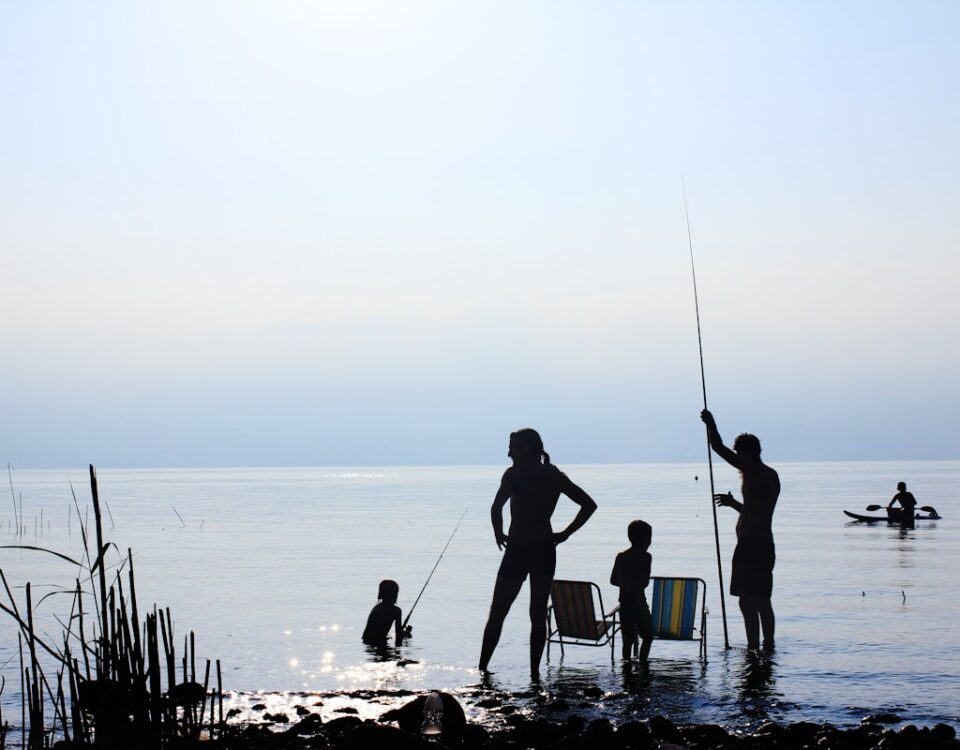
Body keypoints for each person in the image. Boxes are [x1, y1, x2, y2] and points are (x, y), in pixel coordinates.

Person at [478, 428, 597, 679]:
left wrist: (499, 533)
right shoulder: (552, 475)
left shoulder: (515, 475)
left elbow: (496, 507)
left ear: (527, 448)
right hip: (543, 549)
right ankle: (533, 674)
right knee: (536, 613)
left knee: (500, 611)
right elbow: (588, 505)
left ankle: (484, 669)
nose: (508, 452)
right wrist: (564, 534)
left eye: (512, 446)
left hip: (521, 550)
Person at [701, 409, 780, 651]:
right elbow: (757, 510)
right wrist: (735, 504)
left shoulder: (753, 470)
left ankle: (753, 648)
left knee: (747, 602)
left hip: (750, 546)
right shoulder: (771, 475)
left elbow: (718, 448)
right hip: (765, 544)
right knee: (763, 600)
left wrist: (711, 424)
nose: (736, 459)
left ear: (745, 453)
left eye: (738, 454)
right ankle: (767, 646)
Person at [610, 519, 653, 662]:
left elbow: (613, 580)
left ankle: (626, 666)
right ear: (647, 540)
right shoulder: (646, 557)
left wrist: (625, 582)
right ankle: (643, 663)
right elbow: (644, 582)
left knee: (628, 638)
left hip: (624, 601)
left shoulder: (621, 556)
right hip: (638, 601)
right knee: (647, 636)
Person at [362, 579, 411, 648]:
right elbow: (398, 637)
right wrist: (406, 634)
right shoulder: (396, 610)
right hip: (379, 643)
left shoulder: (376, 608)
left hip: (366, 641)